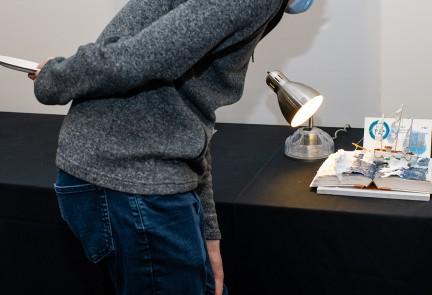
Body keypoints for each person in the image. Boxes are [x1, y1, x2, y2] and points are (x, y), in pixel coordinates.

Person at [29, 0, 314, 294]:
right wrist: (57, 77)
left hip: (133, 171)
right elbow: (141, 56)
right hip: (131, 176)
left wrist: (209, 232)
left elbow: (188, 109)